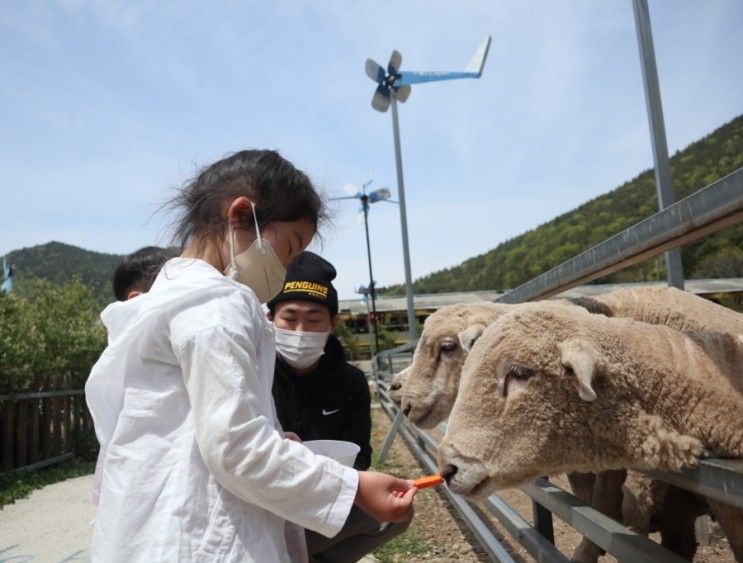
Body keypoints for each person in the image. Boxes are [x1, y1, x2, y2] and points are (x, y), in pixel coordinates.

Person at [85, 150, 416, 562]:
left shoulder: (165, 298)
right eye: (290, 250)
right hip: (199, 539)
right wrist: (352, 486)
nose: (285, 269)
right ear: (241, 215)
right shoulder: (218, 306)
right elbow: (236, 446)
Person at [268, 251, 413, 563]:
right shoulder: (255, 374)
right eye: (289, 318)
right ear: (270, 319)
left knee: (392, 514)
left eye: (315, 319)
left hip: (324, 495)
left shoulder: (351, 382)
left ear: (332, 323)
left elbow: (360, 455)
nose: (300, 330)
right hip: (268, 502)